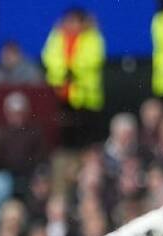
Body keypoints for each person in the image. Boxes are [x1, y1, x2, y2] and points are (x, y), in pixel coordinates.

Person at [42, 7, 105, 149]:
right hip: (60, 93)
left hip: (85, 96)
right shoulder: (56, 36)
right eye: (69, 20)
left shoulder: (93, 36)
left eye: (75, 21)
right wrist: (64, 71)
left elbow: (94, 59)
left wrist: (73, 69)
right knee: (64, 131)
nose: (72, 24)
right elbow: (49, 57)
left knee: (85, 133)